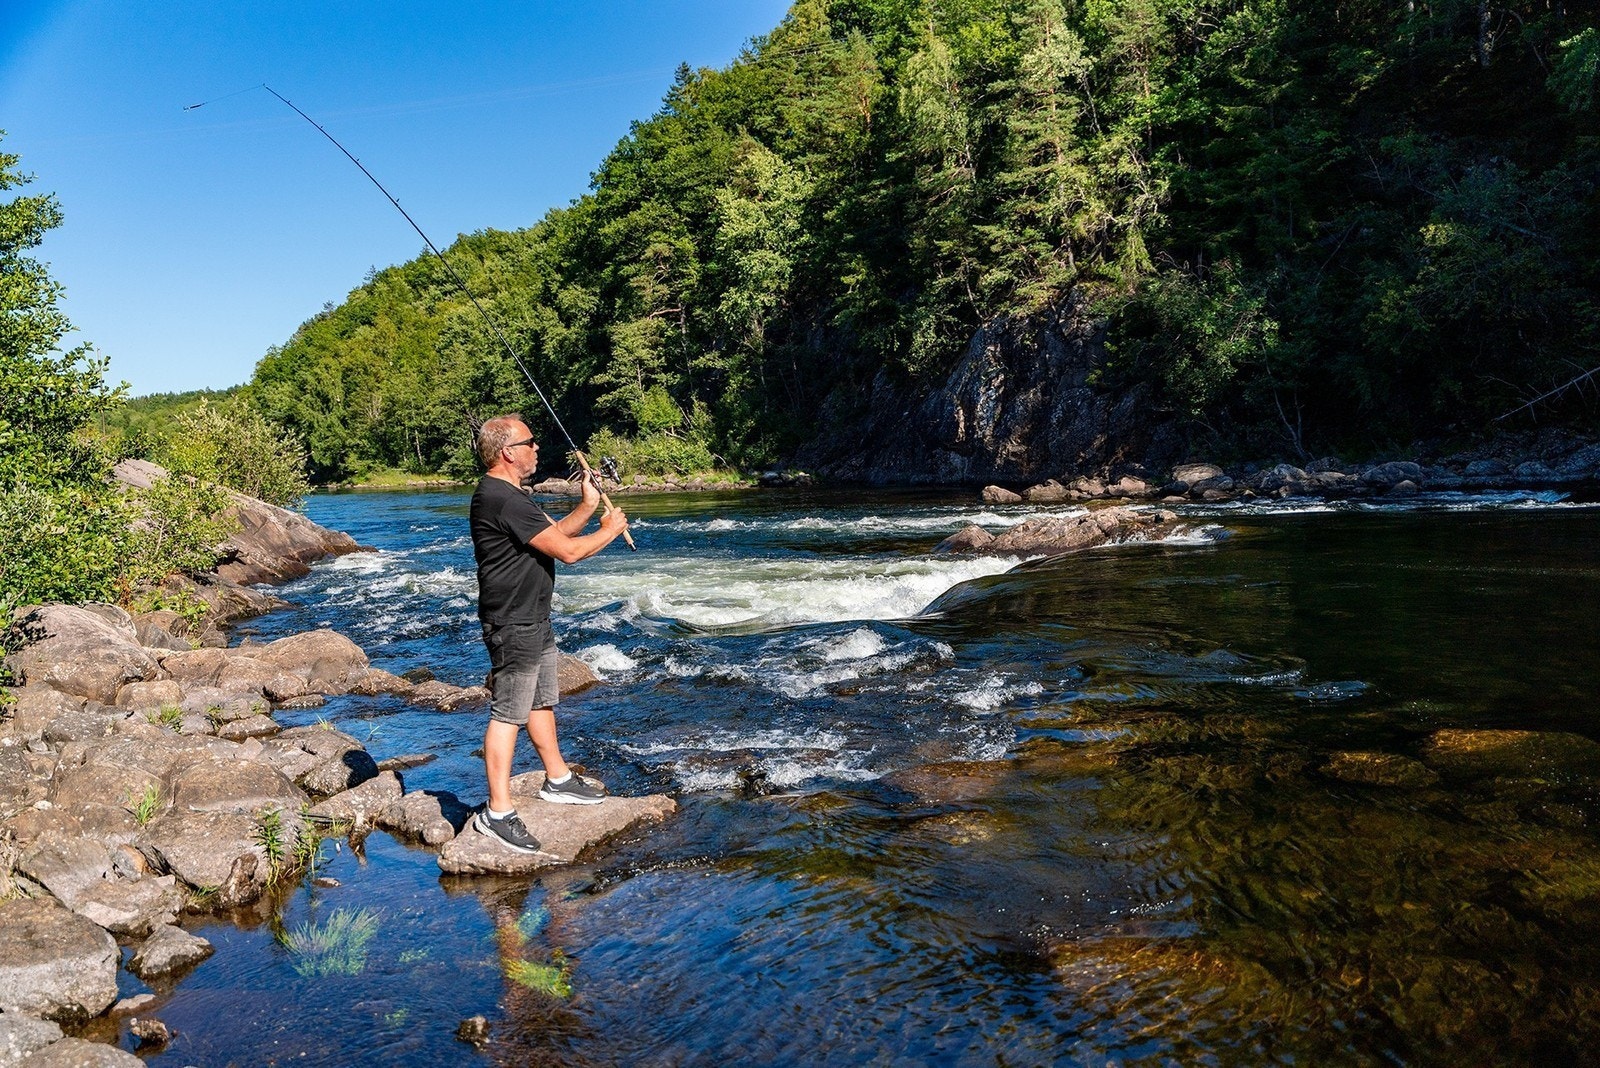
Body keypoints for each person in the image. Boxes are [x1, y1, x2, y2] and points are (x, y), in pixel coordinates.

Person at [468, 413, 629, 853]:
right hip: (512, 620)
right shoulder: (503, 498)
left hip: (531, 615)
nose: (537, 449)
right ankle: (497, 812)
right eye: (531, 442)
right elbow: (570, 552)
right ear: (508, 452)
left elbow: (551, 535)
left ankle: (556, 779)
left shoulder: (507, 495)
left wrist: (589, 507)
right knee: (508, 713)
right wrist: (609, 531)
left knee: (543, 698)